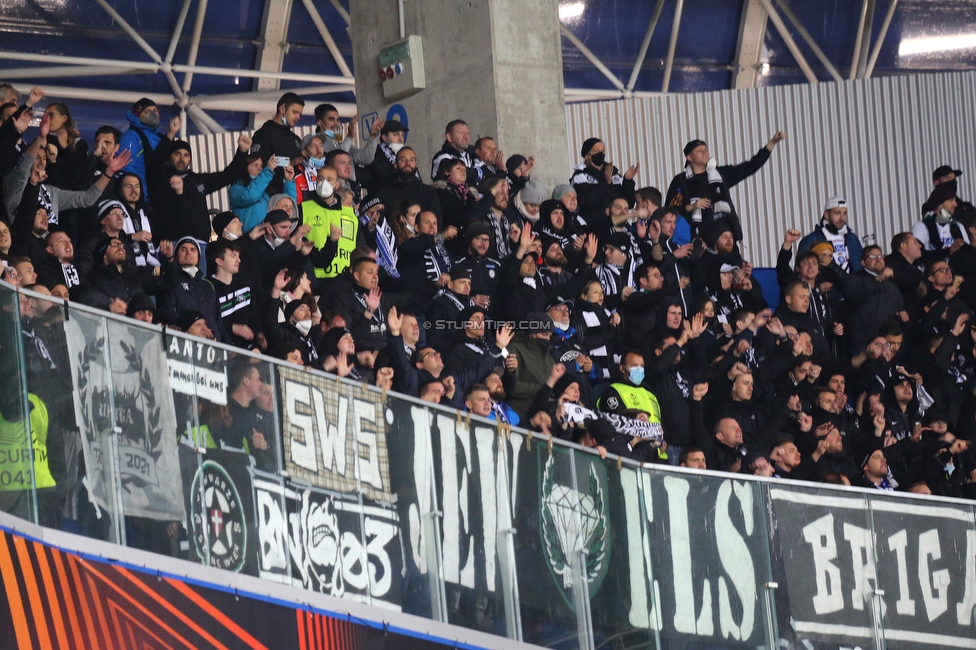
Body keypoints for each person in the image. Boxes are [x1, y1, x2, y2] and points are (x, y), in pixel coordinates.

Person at [666, 132, 786, 242]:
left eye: (706, 149)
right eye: (699, 150)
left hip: (724, 237)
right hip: (697, 241)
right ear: (689, 157)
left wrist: (772, 143)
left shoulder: (720, 174)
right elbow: (669, 211)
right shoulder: (680, 181)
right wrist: (691, 206)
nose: (705, 152)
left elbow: (750, 167)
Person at [147, 133, 251, 243]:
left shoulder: (197, 180)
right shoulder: (160, 179)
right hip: (172, 243)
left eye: (186, 155)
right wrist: (170, 136)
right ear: (169, 156)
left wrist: (242, 152)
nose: (182, 159)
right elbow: (154, 164)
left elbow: (228, 176)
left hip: (201, 243)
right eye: (178, 154)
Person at [571, 137, 638, 222]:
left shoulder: (613, 172)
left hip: (617, 223)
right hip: (593, 225)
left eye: (603, 151)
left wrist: (628, 181)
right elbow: (585, 201)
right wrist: (605, 183)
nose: (600, 154)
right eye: (596, 151)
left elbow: (630, 203)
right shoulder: (580, 175)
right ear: (587, 156)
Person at [250, 92, 304, 165]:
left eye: (300, 114)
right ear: (282, 109)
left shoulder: (296, 139)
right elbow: (257, 165)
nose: (298, 117)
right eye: (295, 112)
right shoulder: (263, 134)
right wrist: (290, 163)